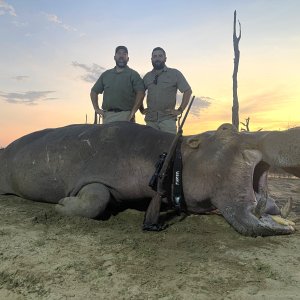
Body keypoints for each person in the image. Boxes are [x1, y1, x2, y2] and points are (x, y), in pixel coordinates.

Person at [142, 47, 192, 134]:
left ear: (165, 58)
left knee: (169, 146)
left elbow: (187, 91)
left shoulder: (175, 73)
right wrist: (141, 109)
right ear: (151, 59)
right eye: (155, 56)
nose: (157, 58)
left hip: (167, 119)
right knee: (150, 146)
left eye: (160, 56)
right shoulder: (147, 76)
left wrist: (180, 110)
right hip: (150, 120)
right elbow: (139, 93)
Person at [90, 46, 145, 124]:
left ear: (128, 58)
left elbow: (141, 93)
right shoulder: (106, 75)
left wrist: (132, 112)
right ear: (115, 57)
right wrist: (96, 108)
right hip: (107, 116)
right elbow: (94, 91)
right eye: (119, 53)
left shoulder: (133, 74)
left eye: (124, 54)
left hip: (126, 116)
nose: (121, 56)